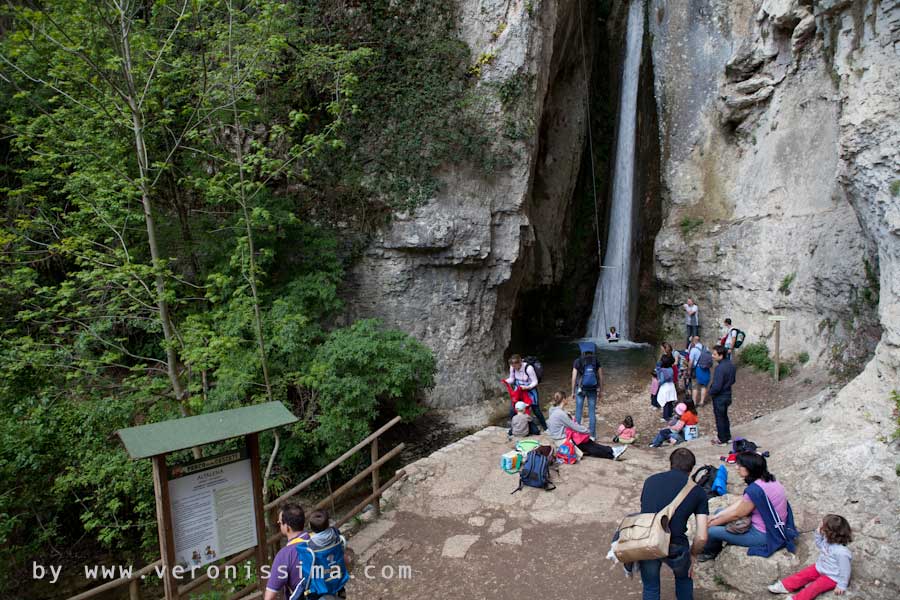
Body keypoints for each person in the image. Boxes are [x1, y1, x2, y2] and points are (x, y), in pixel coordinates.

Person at [637, 448, 709, 600]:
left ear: (670, 463)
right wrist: (693, 555)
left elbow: (645, 509)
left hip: (648, 538)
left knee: (650, 587)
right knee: (683, 579)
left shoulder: (650, 481)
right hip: (675, 542)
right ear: (691, 469)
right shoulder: (698, 492)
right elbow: (702, 537)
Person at [698, 452, 797, 562]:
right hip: (774, 525)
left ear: (750, 468)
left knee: (711, 531)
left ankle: (710, 553)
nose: (736, 467)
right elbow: (743, 502)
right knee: (718, 512)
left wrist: (709, 524)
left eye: (740, 465)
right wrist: (718, 516)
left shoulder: (755, 489)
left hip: (763, 535)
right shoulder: (769, 481)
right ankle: (717, 535)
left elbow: (737, 514)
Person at [769, 514, 852, 599]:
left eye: (822, 525)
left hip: (833, 576)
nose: (819, 525)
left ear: (829, 532)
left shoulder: (842, 553)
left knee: (815, 587)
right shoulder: (827, 540)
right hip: (821, 567)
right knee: (804, 574)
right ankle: (786, 585)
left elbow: (845, 571)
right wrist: (818, 534)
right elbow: (820, 545)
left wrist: (842, 585)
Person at [547, 392, 626, 460]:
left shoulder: (552, 409)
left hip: (557, 438)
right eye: (566, 398)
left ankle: (612, 451)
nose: (567, 400)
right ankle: (612, 453)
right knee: (587, 444)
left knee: (588, 443)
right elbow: (574, 426)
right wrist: (587, 431)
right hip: (562, 440)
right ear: (563, 400)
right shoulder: (561, 413)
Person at [299, 509, 349, 599]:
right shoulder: (335, 533)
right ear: (328, 523)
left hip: (322, 581)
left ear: (310, 526)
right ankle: (341, 591)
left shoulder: (310, 545)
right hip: (337, 574)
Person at [264, 503, 310, 600]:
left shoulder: (284, 555)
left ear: (287, 527)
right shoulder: (315, 540)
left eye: (280, 523)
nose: (279, 524)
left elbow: (269, 597)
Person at [504, 354, 547, 430]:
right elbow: (512, 379)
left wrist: (528, 387)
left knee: (535, 409)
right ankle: (514, 427)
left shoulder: (528, 368)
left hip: (530, 389)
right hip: (519, 389)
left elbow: (535, 382)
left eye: (515, 366)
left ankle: (545, 427)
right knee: (513, 408)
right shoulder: (512, 367)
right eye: (512, 366)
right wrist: (505, 381)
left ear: (519, 363)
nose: (514, 368)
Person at [571, 341, 603, 439]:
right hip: (592, 389)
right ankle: (592, 436)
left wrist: (572, 391)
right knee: (592, 413)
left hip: (580, 389)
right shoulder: (596, 361)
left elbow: (573, 377)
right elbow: (601, 377)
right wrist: (601, 390)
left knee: (578, 412)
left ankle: (576, 434)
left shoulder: (578, 361)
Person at [708, 345, 736, 445]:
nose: (712, 356)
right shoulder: (731, 365)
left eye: (715, 354)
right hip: (728, 394)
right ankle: (727, 436)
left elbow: (717, 385)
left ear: (721, 355)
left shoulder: (719, 368)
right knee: (724, 416)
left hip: (720, 396)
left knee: (720, 417)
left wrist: (710, 393)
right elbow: (733, 380)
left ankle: (722, 438)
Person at [688, 336, 711, 407]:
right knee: (704, 386)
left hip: (697, 369)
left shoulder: (693, 350)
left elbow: (691, 362)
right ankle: (701, 402)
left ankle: (694, 402)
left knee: (695, 387)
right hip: (706, 369)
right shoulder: (706, 348)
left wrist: (689, 370)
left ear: (694, 341)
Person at [656, 355, 678, 421]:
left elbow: (662, 381)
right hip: (671, 386)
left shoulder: (662, 370)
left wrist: (658, 381)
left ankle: (666, 417)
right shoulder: (671, 369)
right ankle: (670, 414)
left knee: (665, 402)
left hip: (665, 387)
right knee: (670, 401)